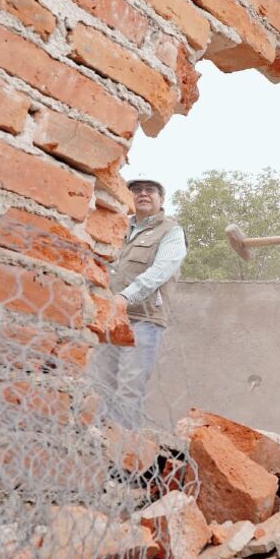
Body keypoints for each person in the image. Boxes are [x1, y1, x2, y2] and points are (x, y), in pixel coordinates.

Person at [90, 176, 187, 429]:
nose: (143, 194)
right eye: (136, 190)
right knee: (100, 384)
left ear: (161, 199)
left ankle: (122, 446)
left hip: (144, 319)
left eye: (150, 190)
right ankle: (98, 440)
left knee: (130, 388)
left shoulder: (171, 232)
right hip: (109, 317)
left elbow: (161, 271)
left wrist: (125, 297)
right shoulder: (118, 227)